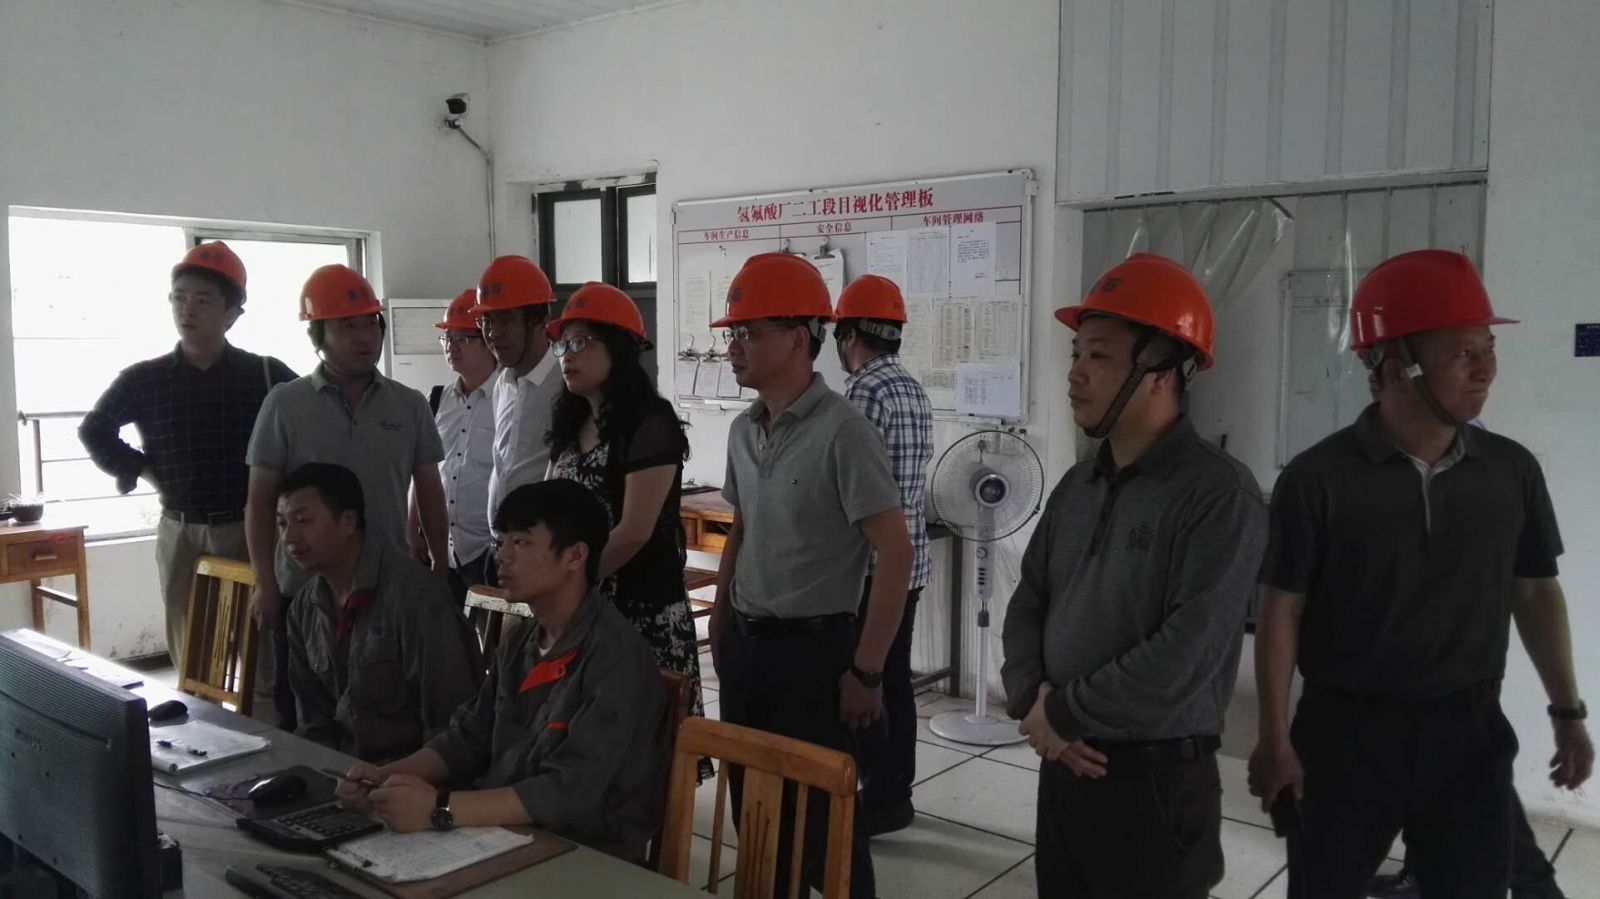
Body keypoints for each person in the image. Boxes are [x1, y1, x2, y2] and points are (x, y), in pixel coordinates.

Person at [1247, 250, 1593, 898]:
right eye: (1463, 352)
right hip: (1344, 737)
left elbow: (1535, 592)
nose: (1485, 368)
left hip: (1469, 733)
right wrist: (1272, 737)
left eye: (1488, 348)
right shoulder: (1317, 479)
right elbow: (1281, 608)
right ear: (1393, 368)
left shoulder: (1511, 471)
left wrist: (1568, 711)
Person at [999, 253, 1266, 899]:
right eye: (1076, 354)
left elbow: (1187, 653)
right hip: (1063, 766)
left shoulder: (1218, 495)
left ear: (1161, 372)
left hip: (1154, 787)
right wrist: (1033, 698)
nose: (1074, 373)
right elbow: (1029, 600)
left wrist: (1064, 711)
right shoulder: (1078, 484)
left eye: (1097, 356)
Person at [708, 253, 913, 899]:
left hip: (818, 659)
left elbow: (896, 553)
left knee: (828, 834)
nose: (733, 346)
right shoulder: (743, 430)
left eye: (748, 332)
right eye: (732, 334)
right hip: (748, 650)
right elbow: (741, 528)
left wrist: (868, 672)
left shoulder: (844, 432)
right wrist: (721, 621)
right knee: (757, 818)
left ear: (799, 339)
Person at [335, 479, 667, 862]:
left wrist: (439, 808)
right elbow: (470, 736)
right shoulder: (521, 638)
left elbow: (568, 791)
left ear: (575, 556)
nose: (502, 557)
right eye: (501, 542)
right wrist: (385, 778)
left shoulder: (616, 657)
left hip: (586, 852)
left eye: (521, 543)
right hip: (504, 829)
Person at [79, 241, 295, 694]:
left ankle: (270, 730)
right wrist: (142, 469)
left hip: (250, 531)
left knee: (263, 659)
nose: (187, 308)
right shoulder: (145, 378)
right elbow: (94, 429)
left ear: (232, 314)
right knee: (195, 666)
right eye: (179, 297)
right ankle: (204, 731)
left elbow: (309, 427)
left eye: (202, 299)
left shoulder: (265, 375)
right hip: (182, 534)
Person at [245, 264, 449, 730]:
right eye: (347, 327)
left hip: (388, 590)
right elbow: (259, 501)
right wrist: (265, 583)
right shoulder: (285, 404)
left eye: (369, 324)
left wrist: (439, 565)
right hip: (304, 589)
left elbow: (429, 489)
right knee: (305, 714)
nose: (364, 337)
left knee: (390, 716)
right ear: (318, 337)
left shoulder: (409, 404)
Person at [543, 282, 707, 765]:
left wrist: (568, 585)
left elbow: (634, 531)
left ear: (618, 347)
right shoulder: (570, 421)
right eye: (562, 345)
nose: (568, 355)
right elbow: (546, 506)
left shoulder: (649, 423)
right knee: (583, 747)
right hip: (581, 608)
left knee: (644, 756)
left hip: (640, 612)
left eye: (581, 342)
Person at [278, 463, 481, 762]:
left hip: (411, 774)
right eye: (282, 523)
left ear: (348, 522)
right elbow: (313, 723)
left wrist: (402, 780)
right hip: (343, 773)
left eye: (303, 520)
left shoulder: (415, 597)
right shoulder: (304, 607)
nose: (289, 537)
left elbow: (450, 725)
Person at [831, 274, 934, 836]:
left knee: (866, 679)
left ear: (848, 335)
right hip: (909, 560)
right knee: (894, 679)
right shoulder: (912, 388)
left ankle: (880, 796)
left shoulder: (863, 391)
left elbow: (852, 487)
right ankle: (897, 791)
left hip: (871, 565)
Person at [410, 289, 497, 599]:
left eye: (463, 339)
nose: (452, 347)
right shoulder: (437, 399)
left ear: (489, 342)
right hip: (441, 550)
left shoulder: (509, 396)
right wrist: (413, 530)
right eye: (447, 339)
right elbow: (423, 470)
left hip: (488, 551)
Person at [476, 256, 563, 539]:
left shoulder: (566, 384)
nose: (492, 333)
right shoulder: (502, 384)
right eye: (486, 320)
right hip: (500, 544)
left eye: (505, 320)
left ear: (540, 320)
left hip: (545, 547)